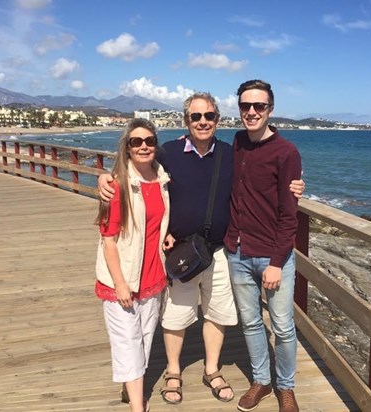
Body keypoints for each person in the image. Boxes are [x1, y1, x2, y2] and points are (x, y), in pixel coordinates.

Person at [98, 93, 305, 406]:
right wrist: (105, 178)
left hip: (220, 250)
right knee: (176, 315)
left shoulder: (231, 151)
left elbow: (264, 167)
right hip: (181, 250)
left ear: (218, 120)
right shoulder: (167, 152)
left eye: (209, 116)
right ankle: (172, 372)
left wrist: (297, 184)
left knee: (217, 312)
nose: (203, 121)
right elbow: (136, 165)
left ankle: (211, 368)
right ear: (186, 121)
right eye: (196, 117)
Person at [224, 79, 301, 412]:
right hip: (238, 251)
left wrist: (275, 261)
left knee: (283, 327)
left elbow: (289, 215)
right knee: (251, 321)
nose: (251, 112)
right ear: (239, 108)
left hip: (273, 255)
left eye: (259, 106)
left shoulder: (287, 152)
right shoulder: (238, 142)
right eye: (245, 106)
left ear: (271, 109)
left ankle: (286, 386)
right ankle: (262, 382)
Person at [94, 118, 170, 412]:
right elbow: (108, 240)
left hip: (153, 275)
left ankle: (131, 389)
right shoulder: (117, 186)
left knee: (145, 339)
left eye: (149, 141)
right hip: (122, 279)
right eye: (136, 142)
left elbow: (158, 222)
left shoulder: (162, 180)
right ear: (126, 148)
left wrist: (168, 234)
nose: (143, 146)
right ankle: (138, 406)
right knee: (128, 342)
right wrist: (120, 282)